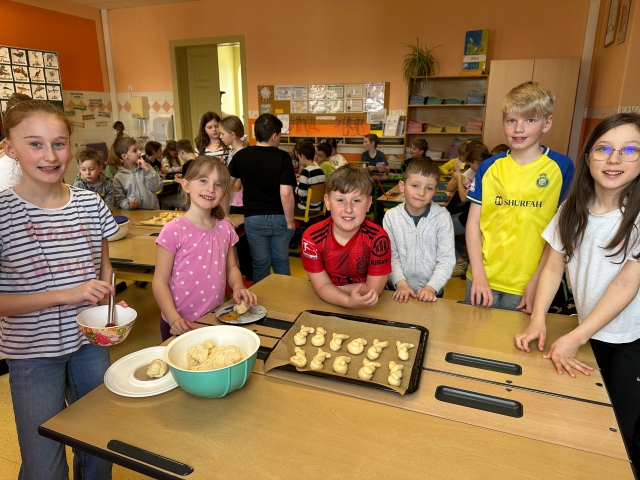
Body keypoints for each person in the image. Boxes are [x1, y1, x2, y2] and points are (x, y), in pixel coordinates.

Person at [0, 93, 121, 479]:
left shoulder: (91, 205)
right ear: (10, 148)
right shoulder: (2, 213)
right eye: (34, 144)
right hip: (32, 355)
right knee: (43, 464)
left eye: (59, 143)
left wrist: (109, 309)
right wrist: (67, 295)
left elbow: (105, 269)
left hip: (90, 346)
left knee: (99, 447)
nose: (50, 156)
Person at [514, 113, 640, 472]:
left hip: (631, 339)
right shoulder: (572, 209)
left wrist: (575, 336)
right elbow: (553, 267)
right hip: (590, 333)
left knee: (622, 428)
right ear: (587, 157)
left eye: (630, 150)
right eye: (604, 149)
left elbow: (625, 284)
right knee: (588, 417)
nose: (615, 159)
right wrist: (538, 319)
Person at [465, 81, 574, 311]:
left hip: (528, 284)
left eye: (530, 120)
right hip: (482, 278)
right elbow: (473, 224)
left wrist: (538, 280)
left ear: (547, 123)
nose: (518, 129)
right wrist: (478, 275)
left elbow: (559, 231)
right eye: (511, 120)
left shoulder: (562, 167)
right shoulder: (488, 167)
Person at [153, 156, 256, 341]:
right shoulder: (173, 230)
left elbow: (232, 268)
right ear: (186, 185)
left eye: (218, 185)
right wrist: (174, 319)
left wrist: (238, 286)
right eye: (203, 181)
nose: (210, 189)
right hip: (179, 323)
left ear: (224, 193)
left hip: (214, 319)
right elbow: (159, 282)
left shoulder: (225, 228)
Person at [301, 164, 391, 308]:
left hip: (370, 307)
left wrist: (326, 288)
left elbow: (373, 290)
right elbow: (322, 286)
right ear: (327, 202)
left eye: (356, 200)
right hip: (326, 305)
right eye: (340, 200)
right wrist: (347, 301)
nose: (348, 209)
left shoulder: (378, 238)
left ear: (368, 203)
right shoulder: (311, 238)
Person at [228, 114, 296, 283]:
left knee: (260, 264)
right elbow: (286, 194)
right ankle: (284, 298)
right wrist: (290, 222)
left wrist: (224, 214)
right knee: (281, 262)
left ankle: (261, 299)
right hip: (280, 218)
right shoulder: (283, 157)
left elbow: (225, 186)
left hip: (253, 218)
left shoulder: (241, 156)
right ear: (274, 136)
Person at [383, 158, 455, 302]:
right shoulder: (391, 217)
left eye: (429, 188)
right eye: (415, 185)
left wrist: (431, 287)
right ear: (402, 186)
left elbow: (446, 260)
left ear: (435, 191)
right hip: (397, 290)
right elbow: (391, 257)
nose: (421, 193)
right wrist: (401, 284)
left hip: (432, 292)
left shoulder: (442, 217)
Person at [112, 136, 163, 210]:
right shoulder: (118, 177)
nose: (139, 152)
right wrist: (129, 205)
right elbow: (119, 200)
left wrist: (147, 170)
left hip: (152, 212)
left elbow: (157, 187)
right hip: (133, 214)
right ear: (124, 156)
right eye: (134, 150)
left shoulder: (147, 166)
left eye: (139, 149)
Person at [219, 115, 248, 214]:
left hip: (238, 203)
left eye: (223, 134)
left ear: (233, 135)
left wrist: (218, 183)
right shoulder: (232, 152)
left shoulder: (241, 155)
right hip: (232, 201)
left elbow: (237, 186)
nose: (220, 137)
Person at [295, 141, 325, 214]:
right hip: (317, 208)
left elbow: (301, 193)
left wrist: (295, 188)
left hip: (305, 209)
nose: (299, 160)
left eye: (299, 157)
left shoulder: (306, 172)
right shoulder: (321, 170)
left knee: (285, 205)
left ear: (302, 156)